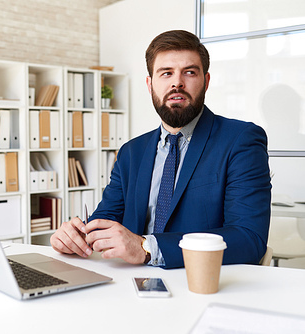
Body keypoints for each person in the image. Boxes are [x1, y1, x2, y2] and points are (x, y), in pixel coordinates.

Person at [50, 30, 272, 269]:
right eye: (166, 73)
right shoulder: (131, 152)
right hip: (130, 286)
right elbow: (106, 221)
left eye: (189, 72)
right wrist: (77, 237)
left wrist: (147, 248)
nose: (177, 82)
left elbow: (249, 238)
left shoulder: (240, 140)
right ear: (150, 84)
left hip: (199, 287)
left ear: (206, 81)